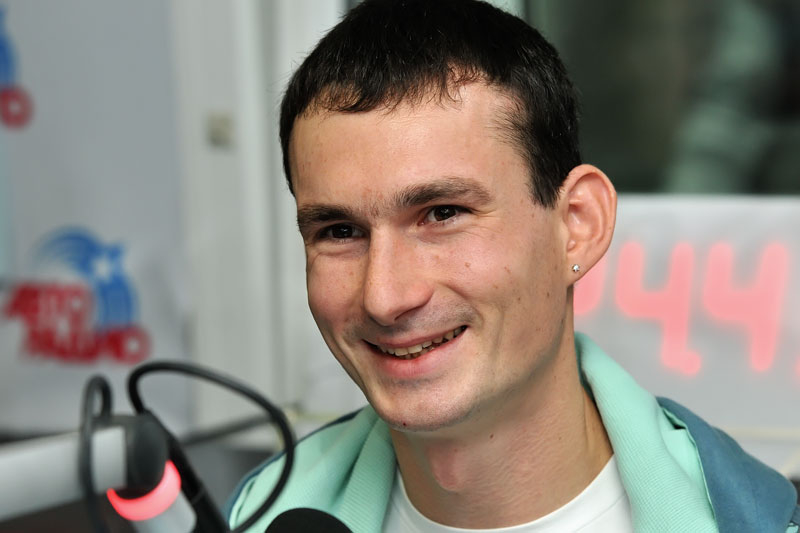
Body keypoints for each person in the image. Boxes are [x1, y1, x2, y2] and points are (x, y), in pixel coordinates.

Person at [227, 1, 800, 531]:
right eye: (340, 231)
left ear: (577, 224)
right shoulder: (259, 517)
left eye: (443, 213)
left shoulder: (756, 520)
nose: (384, 296)